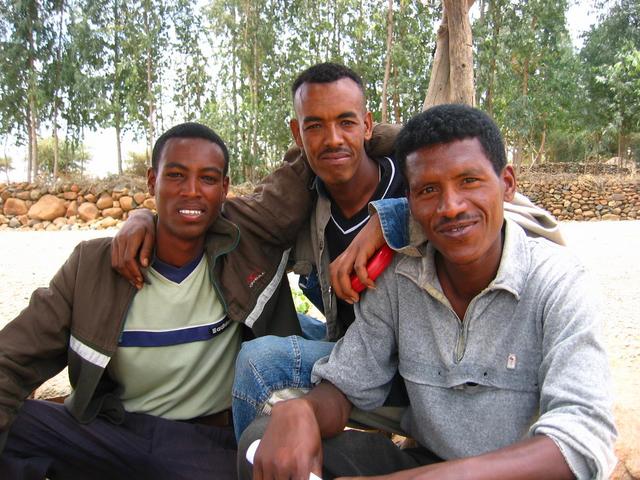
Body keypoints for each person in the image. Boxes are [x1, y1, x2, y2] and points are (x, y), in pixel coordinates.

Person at [112, 63, 564, 441]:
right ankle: (259, 458)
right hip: (354, 350)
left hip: (432, 364)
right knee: (262, 346)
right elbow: (216, 214)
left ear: (367, 126)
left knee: (266, 360)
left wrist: (392, 221)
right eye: (315, 125)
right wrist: (146, 217)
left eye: (346, 122)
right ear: (297, 133)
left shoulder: (422, 180)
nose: (333, 140)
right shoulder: (301, 205)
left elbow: (515, 218)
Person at [238, 104, 617, 480]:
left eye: (469, 181)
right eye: (429, 190)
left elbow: (583, 442)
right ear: (410, 203)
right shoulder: (400, 280)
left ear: (507, 183)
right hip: (428, 462)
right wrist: (305, 412)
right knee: (266, 446)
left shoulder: (558, 283)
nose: (450, 207)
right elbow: (349, 382)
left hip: (521, 473)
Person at [0, 122, 314, 480]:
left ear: (224, 188)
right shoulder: (92, 265)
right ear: (152, 181)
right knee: (21, 425)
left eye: (208, 179)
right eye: (176, 175)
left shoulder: (246, 247)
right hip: (113, 433)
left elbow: (329, 147)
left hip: (205, 442)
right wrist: (140, 217)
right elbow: (13, 356)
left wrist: (376, 135)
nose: (192, 191)